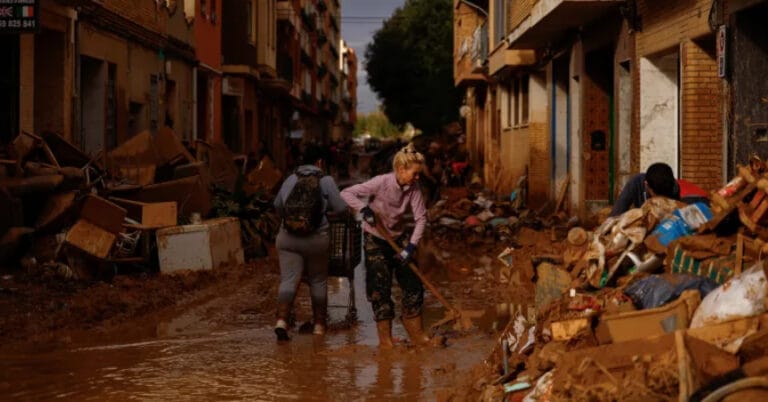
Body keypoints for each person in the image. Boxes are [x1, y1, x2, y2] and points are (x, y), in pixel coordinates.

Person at [340, 144, 435, 349]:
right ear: (401, 170)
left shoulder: (413, 189)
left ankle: (417, 335)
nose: (417, 178)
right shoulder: (380, 182)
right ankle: (386, 341)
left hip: (399, 237)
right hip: (375, 237)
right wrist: (364, 209)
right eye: (415, 174)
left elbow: (421, 219)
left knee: (413, 283)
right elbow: (346, 193)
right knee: (380, 288)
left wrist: (411, 247)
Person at [273, 144, 348, 341]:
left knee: (289, 279)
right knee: (318, 280)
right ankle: (319, 327)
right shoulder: (326, 180)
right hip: (316, 239)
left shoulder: (290, 178)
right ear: (320, 162)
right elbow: (341, 208)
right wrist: (326, 213)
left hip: (287, 238)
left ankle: (281, 321)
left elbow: (277, 206)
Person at [610, 162, 708, 217]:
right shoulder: (636, 183)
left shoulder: (679, 191)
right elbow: (616, 214)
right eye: (656, 196)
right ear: (646, 185)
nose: (659, 202)